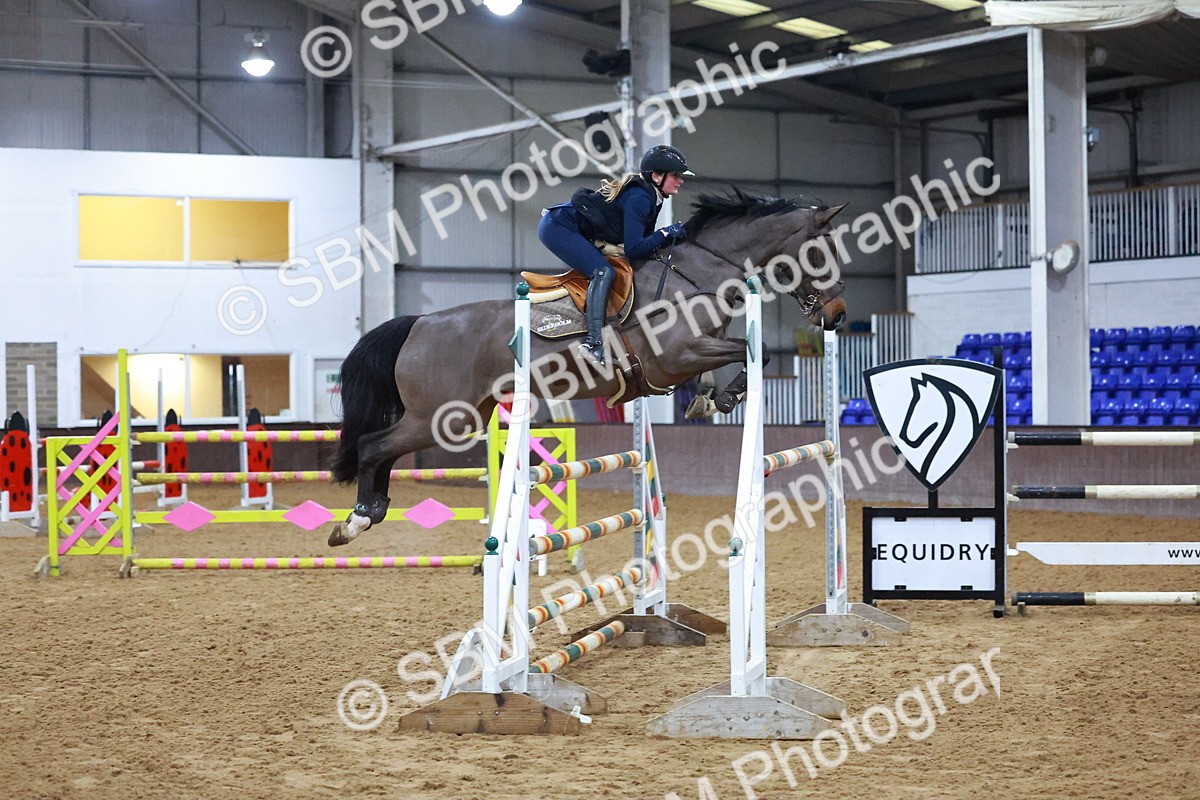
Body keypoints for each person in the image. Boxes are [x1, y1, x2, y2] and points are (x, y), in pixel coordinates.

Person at [538, 144, 694, 367]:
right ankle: (593, 343)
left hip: (569, 225)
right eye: (676, 175)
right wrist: (666, 232)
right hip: (558, 226)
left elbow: (642, 247)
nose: (681, 180)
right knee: (603, 271)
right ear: (657, 176)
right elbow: (634, 249)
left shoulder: (653, 196)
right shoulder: (641, 198)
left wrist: (665, 236)